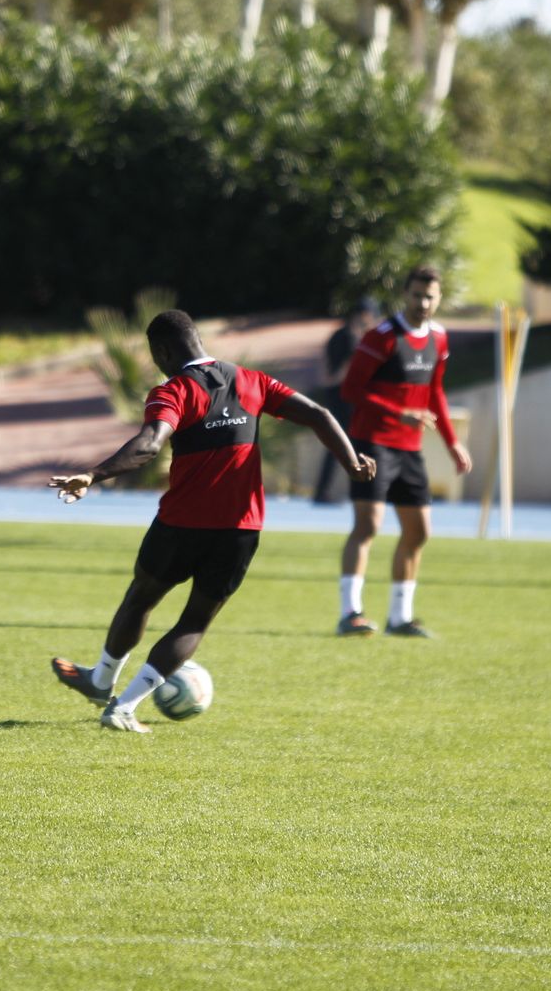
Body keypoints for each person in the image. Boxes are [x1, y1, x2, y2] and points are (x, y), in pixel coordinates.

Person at [48, 309, 376, 733]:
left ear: (162, 351)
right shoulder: (252, 382)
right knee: (195, 621)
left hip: (181, 524)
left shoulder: (175, 390)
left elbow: (149, 445)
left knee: (142, 597)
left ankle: (102, 680)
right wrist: (350, 463)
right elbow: (319, 414)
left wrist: (93, 475)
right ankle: (122, 706)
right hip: (240, 530)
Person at [336, 265, 472, 638]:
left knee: (419, 531)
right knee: (368, 526)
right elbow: (350, 390)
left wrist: (452, 442)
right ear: (405, 295)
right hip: (372, 442)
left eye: (430, 296)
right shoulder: (381, 337)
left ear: (439, 298)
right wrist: (400, 412)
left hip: (409, 449)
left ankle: (400, 618)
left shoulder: (439, 339)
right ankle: (350, 613)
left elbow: (436, 392)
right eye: (416, 295)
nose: (423, 303)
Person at [312, 297, 381, 504]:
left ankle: (326, 489)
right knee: (347, 443)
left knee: (337, 443)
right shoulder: (351, 338)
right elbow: (347, 367)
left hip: (334, 394)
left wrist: (328, 382)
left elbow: (325, 366)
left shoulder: (338, 335)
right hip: (344, 396)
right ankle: (359, 490)